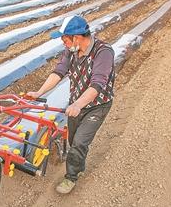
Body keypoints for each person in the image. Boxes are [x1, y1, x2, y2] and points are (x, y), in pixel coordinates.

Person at [27, 15, 115, 194]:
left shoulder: (103, 52)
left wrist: (78, 104)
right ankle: (79, 165)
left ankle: (71, 177)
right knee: (73, 139)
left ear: (77, 37)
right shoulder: (71, 50)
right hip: (76, 102)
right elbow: (58, 72)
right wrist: (39, 92)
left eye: (64, 39)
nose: (63, 42)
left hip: (97, 105)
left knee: (80, 142)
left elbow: (97, 84)